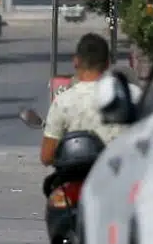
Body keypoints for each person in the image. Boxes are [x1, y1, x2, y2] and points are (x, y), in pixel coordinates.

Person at [40, 32, 125, 165]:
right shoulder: (129, 97)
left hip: (74, 179)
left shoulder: (62, 102)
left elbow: (46, 157)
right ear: (108, 63)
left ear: (76, 61)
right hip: (116, 177)